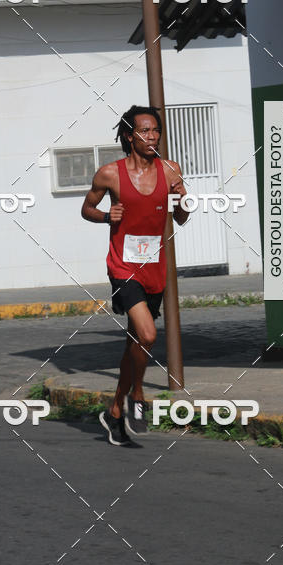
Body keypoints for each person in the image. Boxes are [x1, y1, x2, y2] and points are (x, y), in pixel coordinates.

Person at [81, 105, 188, 445]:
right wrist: (105, 216)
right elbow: (87, 209)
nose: (152, 136)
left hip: (154, 266)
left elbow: (181, 218)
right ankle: (137, 395)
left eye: (156, 130)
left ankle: (114, 411)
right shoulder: (110, 174)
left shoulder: (171, 170)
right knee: (148, 334)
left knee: (135, 343)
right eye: (144, 131)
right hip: (123, 266)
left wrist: (181, 201)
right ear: (129, 136)